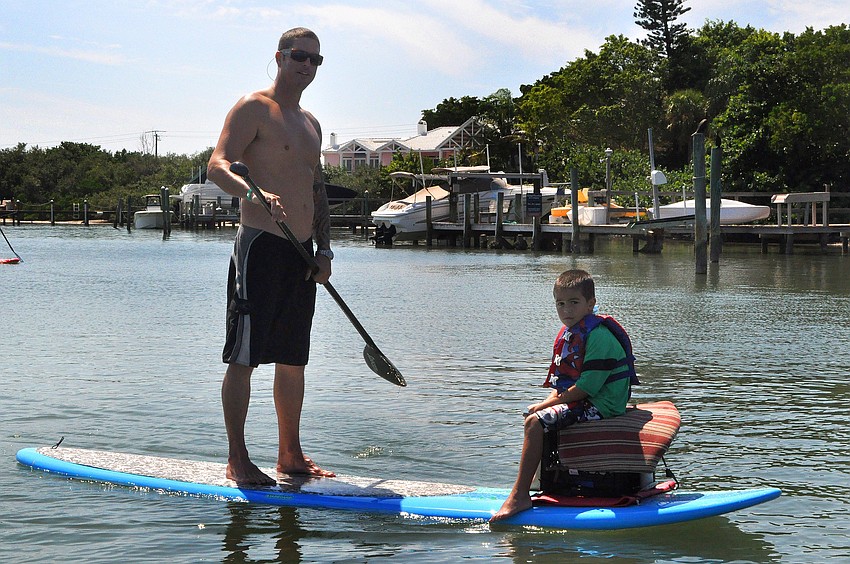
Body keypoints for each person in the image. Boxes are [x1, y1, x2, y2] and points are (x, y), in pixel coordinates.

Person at [207, 27, 334, 485]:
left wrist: (324, 249)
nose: (307, 65)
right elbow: (218, 164)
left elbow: (316, 190)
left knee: (293, 356)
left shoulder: (311, 123)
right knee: (244, 355)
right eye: (300, 55)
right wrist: (252, 194)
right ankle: (237, 458)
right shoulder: (253, 107)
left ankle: (290, 455)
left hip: (302, 253)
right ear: (280, 57)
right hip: (260, 245)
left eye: (316, 60)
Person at [490, 269, 636, 521]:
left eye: (574, 302)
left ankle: (520, 496)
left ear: (590, 304)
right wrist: (546, 403)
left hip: (604, 403)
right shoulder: (573, 332)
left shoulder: (598, 336)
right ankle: (544, 484)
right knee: (533, 415)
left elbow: (586, 388)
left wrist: (547, 404)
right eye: (560, 303)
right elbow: (566, 382)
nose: (566, 310)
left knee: (536, 422)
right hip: (587, 399)